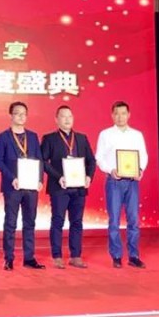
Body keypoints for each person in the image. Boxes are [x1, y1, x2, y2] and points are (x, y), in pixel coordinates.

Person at [41, 105, 96, 269]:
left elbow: (91, 161)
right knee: (58, 221)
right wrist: (59, 177)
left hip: (79, 187)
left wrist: (88, 177)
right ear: (56, 119)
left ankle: (75, 256)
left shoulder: (81, 138)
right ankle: (57, 256)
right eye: (63, 116)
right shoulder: (49, 138)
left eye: (70, 116)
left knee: (77, 222)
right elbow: (43, 162)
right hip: (60, 187)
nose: (67, 119)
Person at [95, 101, 149, 269]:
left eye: (123, 113)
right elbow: (99, 157)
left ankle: (134, 255)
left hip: (132, 181)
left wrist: (140, 169)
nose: (120, 117)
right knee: (114, 220)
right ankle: (116, 255)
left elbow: (143, 155)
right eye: (117, 113)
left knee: (133, 220)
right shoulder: (105, 134)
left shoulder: (137, 135)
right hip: (114, 181)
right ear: (112, 115)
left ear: (128, 115)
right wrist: (110, 170)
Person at [0, 101, 45, 271]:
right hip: (13, 187)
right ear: (11, 115)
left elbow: (39, 159)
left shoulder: (33, 136)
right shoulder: (2, 137)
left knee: (30, 222)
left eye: (24, 113)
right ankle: (9, 258)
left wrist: (40, 179)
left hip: (31, 186)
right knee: (10, 223)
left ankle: (29, 258)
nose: (21, 116)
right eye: (17, 113)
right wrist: (12, 178)